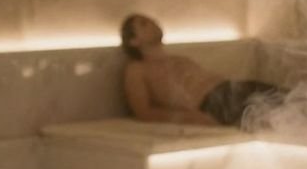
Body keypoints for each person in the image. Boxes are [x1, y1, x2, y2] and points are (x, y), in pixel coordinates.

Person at [119, 14, 285, 127]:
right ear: (133, 41)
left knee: (296, 100)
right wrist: (189, 118)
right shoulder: (137, 69)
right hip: (214, 104)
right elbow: (143, 112)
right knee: (285, 114)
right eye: (143, 23)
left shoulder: (179, 59)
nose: (153, 22)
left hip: (234, 89)